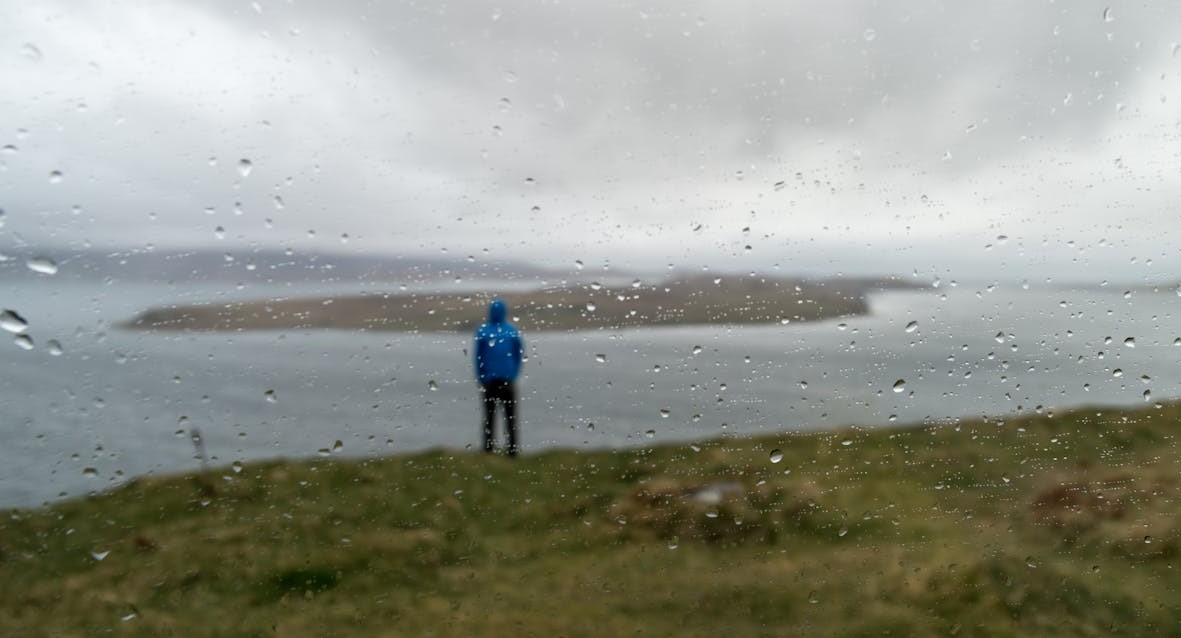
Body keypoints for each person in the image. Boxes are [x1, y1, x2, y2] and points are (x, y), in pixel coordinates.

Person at [474, 298, 524, 456]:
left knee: (490, 417)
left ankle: (488, 449)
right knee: (509, 417)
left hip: (490, 381)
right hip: (507, 381)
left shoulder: (483, 331)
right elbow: (519, 355)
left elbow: (478, 358)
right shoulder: (512, 331)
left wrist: (481, 377)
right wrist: (514, 373)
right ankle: (512, 450)